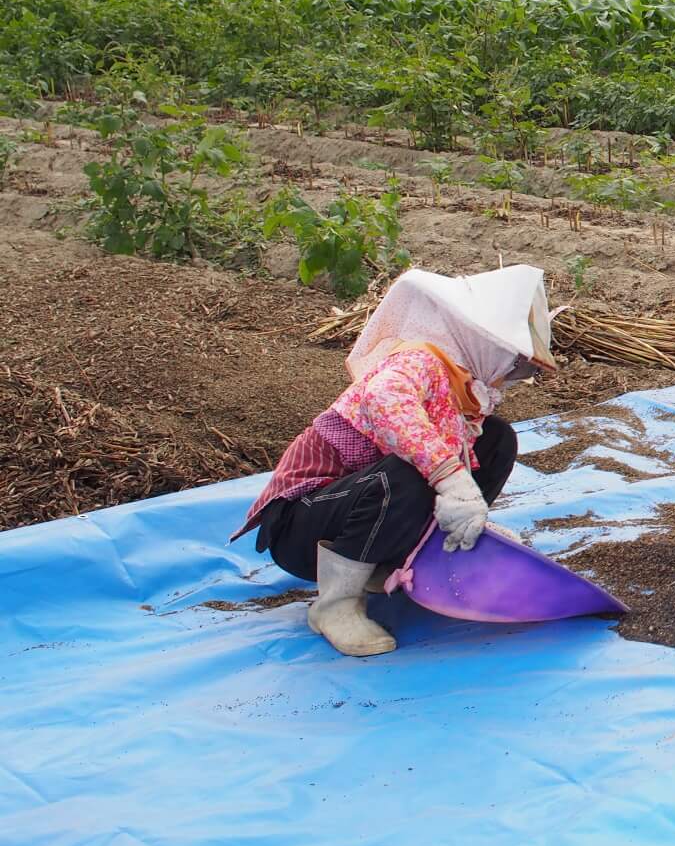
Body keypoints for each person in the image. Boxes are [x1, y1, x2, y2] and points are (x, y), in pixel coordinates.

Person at [230, 266, 558, 657]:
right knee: (407, 473)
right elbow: (384, 401)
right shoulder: (419, 361)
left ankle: (424, 553)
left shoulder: (459, 387)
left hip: (354, 510)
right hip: (301, 528)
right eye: (515, 365)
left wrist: (464, 506)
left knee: (497, 439)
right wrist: (450, 478)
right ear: (485, 343)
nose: (511, 377)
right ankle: (335, 606)